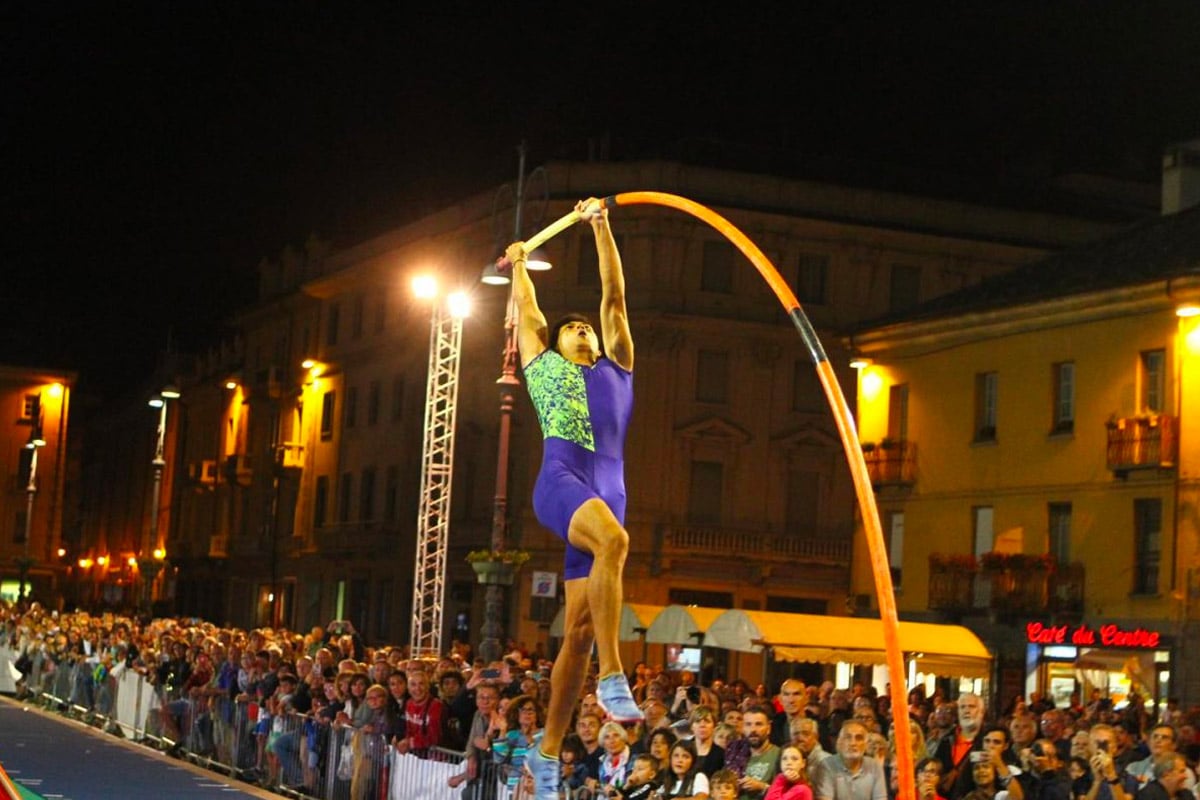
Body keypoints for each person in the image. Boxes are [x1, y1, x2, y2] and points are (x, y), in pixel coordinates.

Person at [509, 197, 642, 800]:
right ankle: (614, 678)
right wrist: (519, 264)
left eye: (585, 325)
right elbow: (528, 311)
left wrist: (601, 225)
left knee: (579, 633)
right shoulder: (543, 366)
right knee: (615, 541)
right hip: (562, 484)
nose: (582, 328)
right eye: (572, 326)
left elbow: (614, 295)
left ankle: (546, 754)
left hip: (610, 490)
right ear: (556, 342)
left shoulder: (619, 368)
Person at [812, 720, 887, 800]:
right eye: (847, 737)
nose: (853, 743)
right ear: (839, 742)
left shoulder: (874, 766)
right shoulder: (826, 765)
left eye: (859, 738)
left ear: (866, 744)